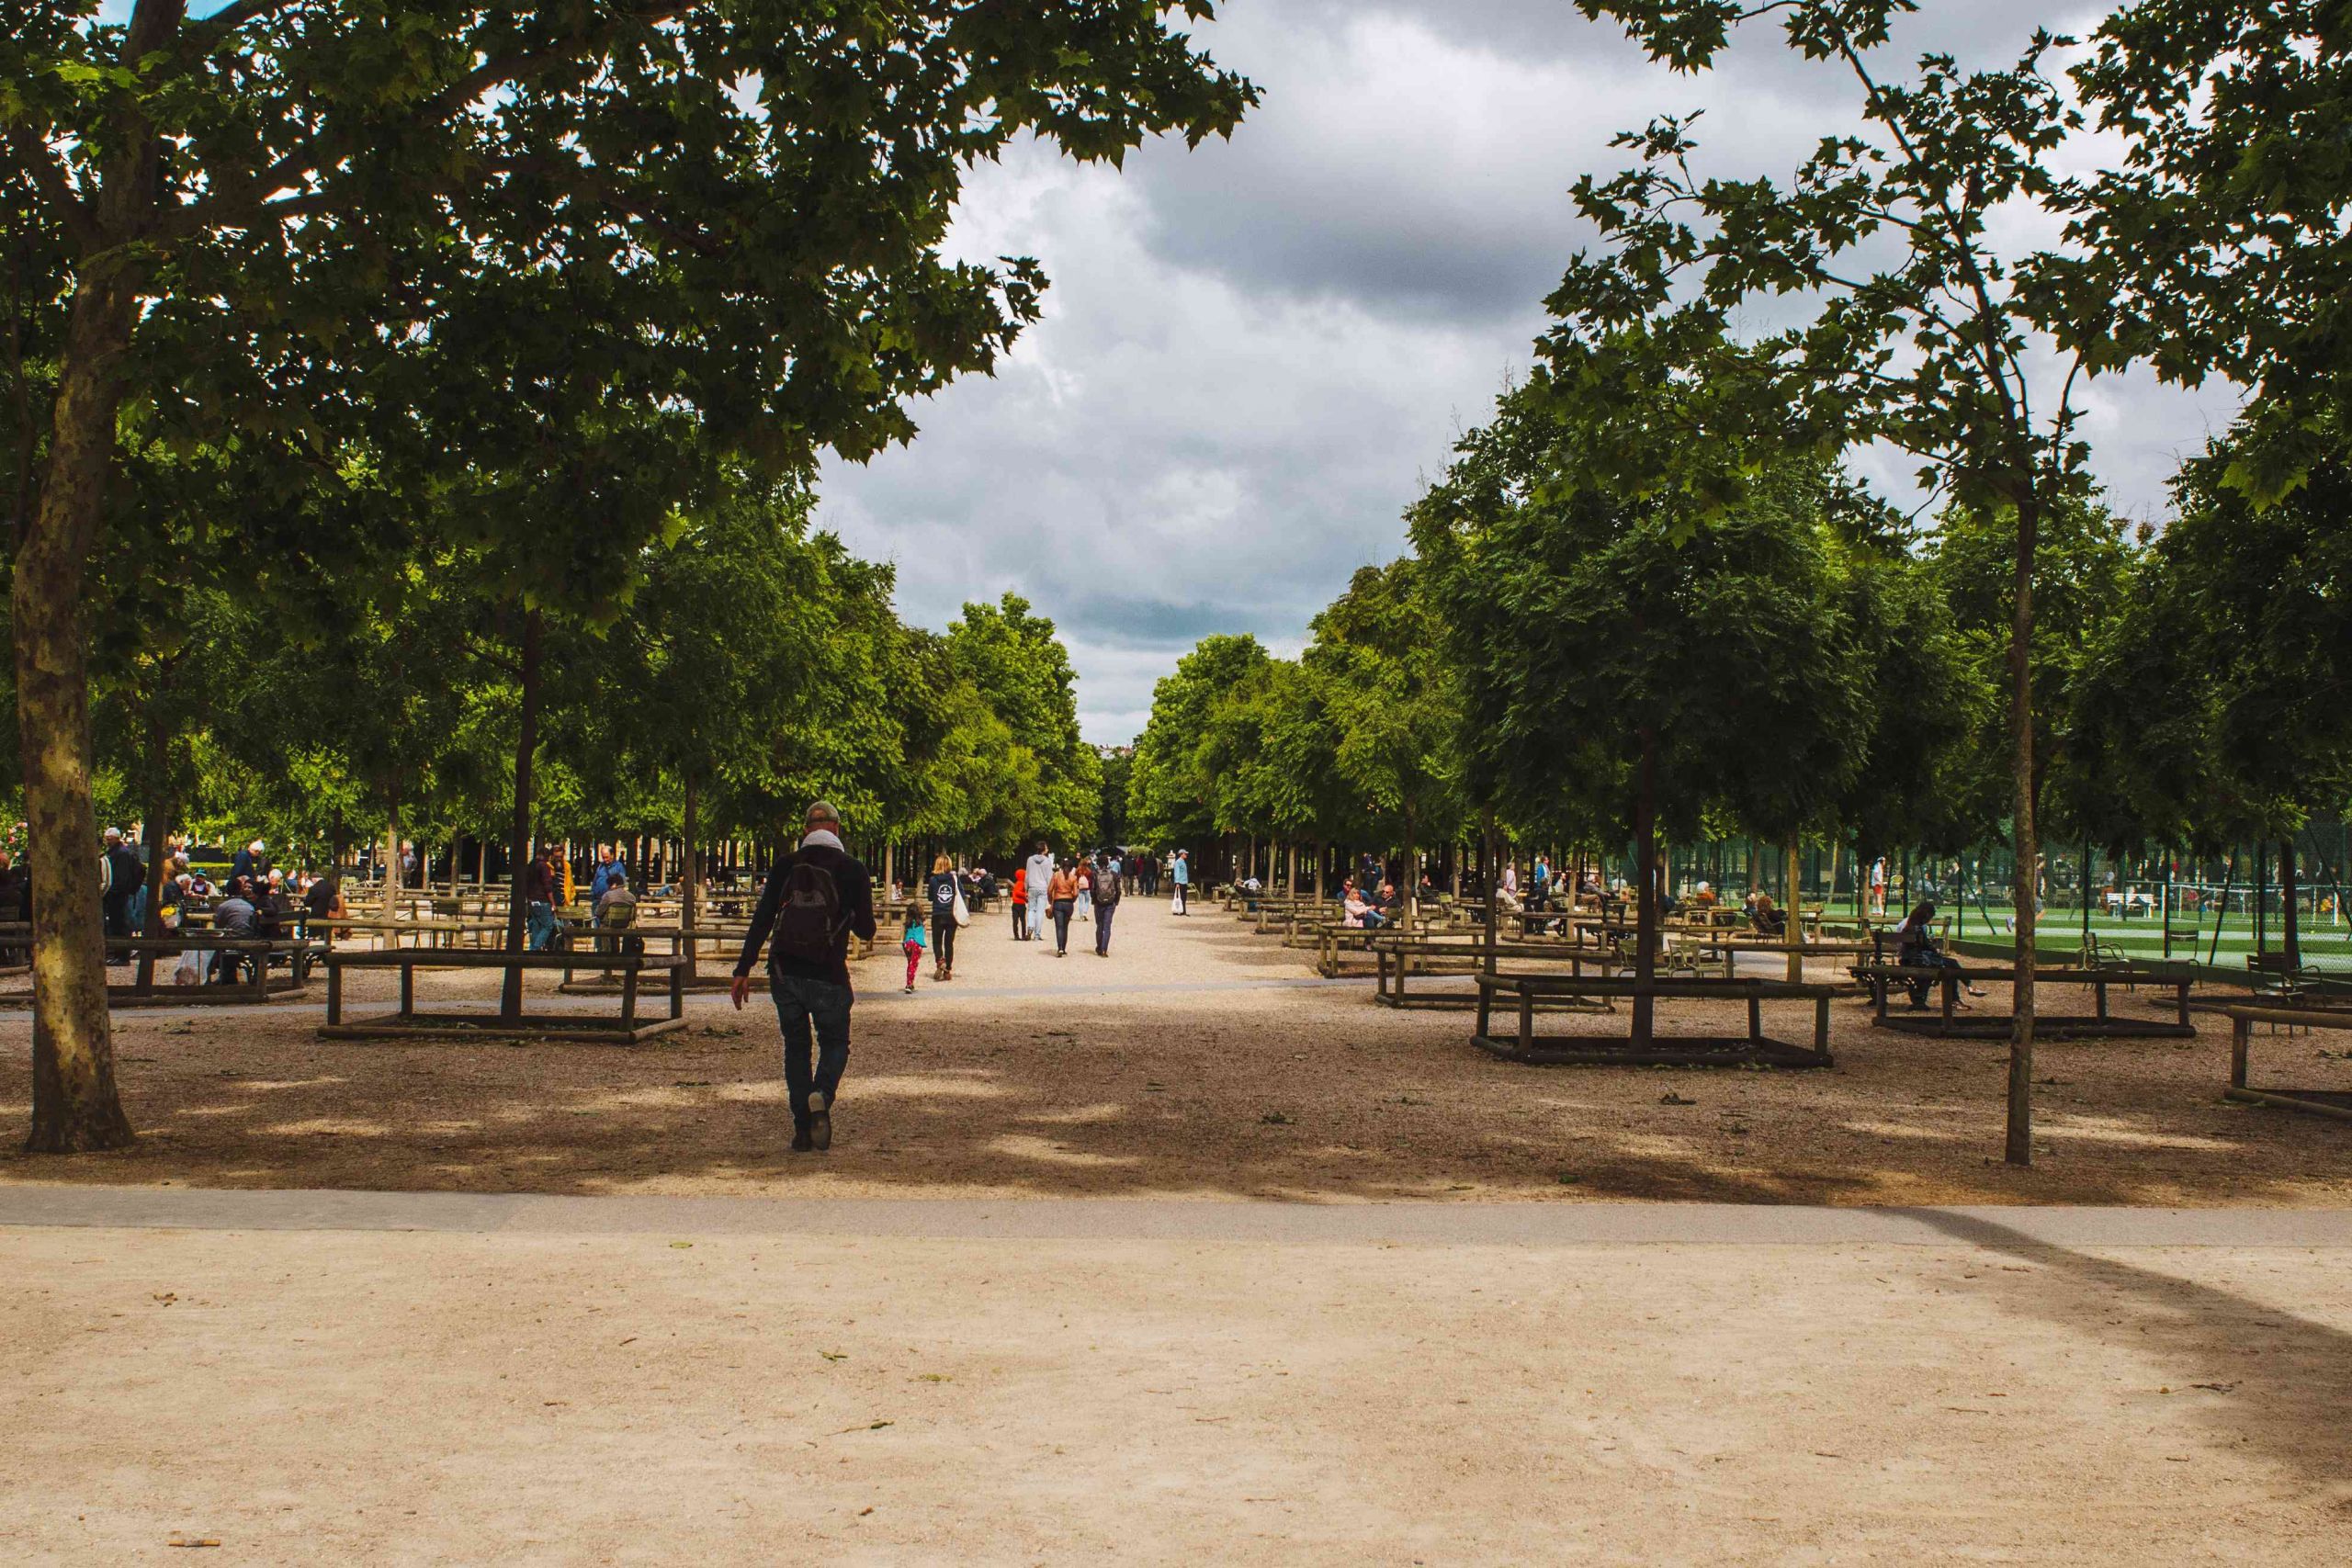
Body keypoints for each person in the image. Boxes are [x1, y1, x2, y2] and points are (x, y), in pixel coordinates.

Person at [729, 801, 876, 1154]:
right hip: (829, 973)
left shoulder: (786, 866)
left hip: (785, 971)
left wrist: (742, 970)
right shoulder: (852, 869)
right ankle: (821, 1094)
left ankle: (801, 1130)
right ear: (837, 829)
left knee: (796, 1049)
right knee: (836, 1043)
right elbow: (867, 930)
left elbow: (763, 918)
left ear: (806, 829)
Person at [209, 876, 259, 984]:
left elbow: (218, 926)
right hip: (249, 938)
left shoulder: (224, 906)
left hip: (231, 940)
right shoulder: (249, 906)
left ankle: (220, 972)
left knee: (215, 943)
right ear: (240, 890)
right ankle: (227, 974)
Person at [101, 828, 141, 938]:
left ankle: (122, 951)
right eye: (107, 839)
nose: (108, 841)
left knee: (119, 922)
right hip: (117, 893)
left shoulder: (121, 853)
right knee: (117, 922)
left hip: (117, 895)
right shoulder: (118, 852)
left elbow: (121, 877)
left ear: (117, 839)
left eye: (110, 839)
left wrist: (112, 891)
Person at [926, 853, 960, 981]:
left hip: (937, 914)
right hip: (952, 915)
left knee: (936, 941)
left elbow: (930, 897)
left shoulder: (933, 880)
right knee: (949, 943)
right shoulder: (954, 879)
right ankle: (948, 971)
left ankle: (940, 961)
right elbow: (960, 895)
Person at [524, 847, 559, 951]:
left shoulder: (530, 865)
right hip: (542, 900)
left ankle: (533, 949)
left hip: (531, 900)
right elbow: (548, 886)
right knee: (548, 926)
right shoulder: (543, 866)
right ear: (546, 856)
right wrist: (553, 903)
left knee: (536, 926)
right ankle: (534, 948)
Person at [1024, 840, 1054, 951]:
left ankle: (1030, 927)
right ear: (1044, 849)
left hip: (1032, 887)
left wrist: (1026, 889)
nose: (1048, 849)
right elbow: (1049, 877)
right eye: (1047, 847)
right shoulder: (1047, 861)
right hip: (1042, 888)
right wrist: (1050, 890)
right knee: (1040, 911)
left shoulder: (1030, 859)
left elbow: (1027, 875)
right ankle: (1037, 934)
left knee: (1031, 909)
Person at [1092, 850, 1123, 955]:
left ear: (1098, 864)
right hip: (1110, 903)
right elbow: (1118, 890)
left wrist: (1094, 901)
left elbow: (1093, 889)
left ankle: (1099, 947)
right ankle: (1104, 949)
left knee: (1099, 925)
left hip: (1099, 903)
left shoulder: (1095, 874)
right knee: (1107, 927)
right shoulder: (1114, 875)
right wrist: (1116, 901)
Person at [1046, 858, 1079, 955]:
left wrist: (1050, 900)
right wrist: (1072, 899)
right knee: (1065, 927)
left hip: (1058, 903)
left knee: (1059, 927)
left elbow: (1049, 890)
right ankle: (1063, 949)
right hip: (1068, 903)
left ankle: (1060, 948)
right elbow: (1076, 893)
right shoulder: (1073, 878)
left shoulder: (1056, 876)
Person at [901, 898, 926, 994]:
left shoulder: (907, 922)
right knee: (913, 964)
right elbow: (923, 933)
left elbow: (904, 933)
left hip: (907, 943)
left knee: (910, 963)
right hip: (916, 943)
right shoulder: (922, 922)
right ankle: (909, 984)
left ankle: (910, 983)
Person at [1010, 863, 1030, 941]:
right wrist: (1025, 895)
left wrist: (1026, 899)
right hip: (1020, 904)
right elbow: (1018, 892)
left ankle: (1016, 935)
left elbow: (1016, 892)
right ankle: (1023, 935)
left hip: (1015, 904)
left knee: (1015, 921)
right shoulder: (1021, 884)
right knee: (1023, 921)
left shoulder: (1017, 883)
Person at [1170, 848, 1191, 915]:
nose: (1186, 855)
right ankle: (1177, 910)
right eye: (1185, 854)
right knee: (1178, 897)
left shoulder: (1183, 861)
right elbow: (1177, 873)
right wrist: (1177, 882)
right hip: (1180, 882)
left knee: (1184, 897)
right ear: (1181, 854)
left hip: (1184, 882)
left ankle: (1183, 911)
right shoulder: (1178, 862)